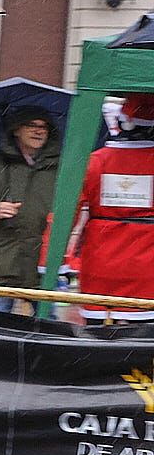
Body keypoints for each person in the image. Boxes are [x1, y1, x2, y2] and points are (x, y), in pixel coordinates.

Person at [0, 105, 60, 312]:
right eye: (32, 125)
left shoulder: (61, 167)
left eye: (44, 127)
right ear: (16, 130)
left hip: (41, 264)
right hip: (2, 262)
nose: (39, 131)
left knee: (49, 328)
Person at [70, 92, 154, 322]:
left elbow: (69, 211)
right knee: (146, 341)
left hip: (100, 264)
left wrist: (64, 259)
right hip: (148, 268)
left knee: (98, 341)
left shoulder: (94, 160)